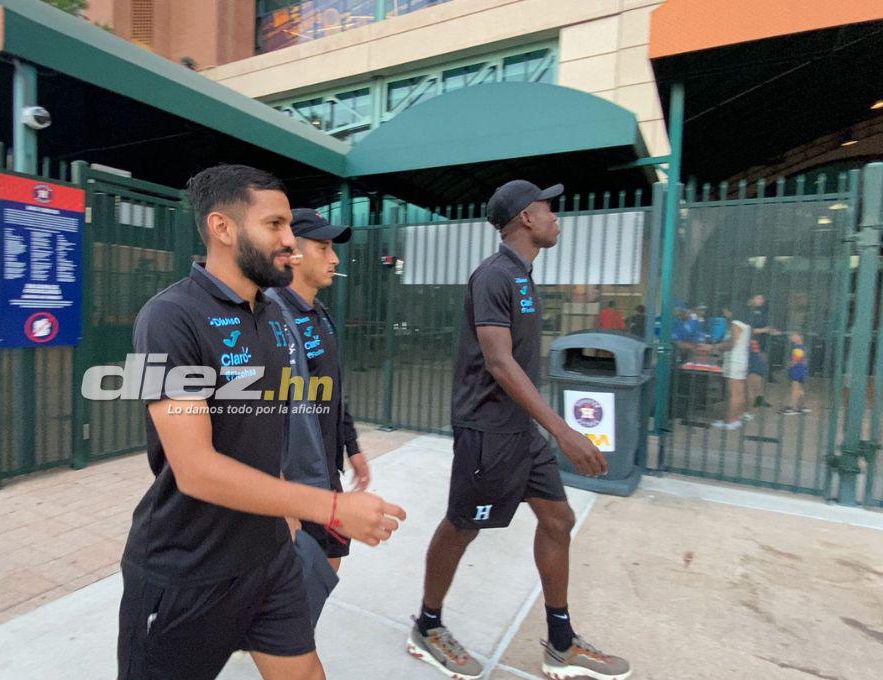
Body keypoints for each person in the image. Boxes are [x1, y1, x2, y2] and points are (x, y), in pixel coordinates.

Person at [116, 164, 406, 680]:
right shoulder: (165, 318)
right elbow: (195, 470)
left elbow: (270, 425)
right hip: (187, 567)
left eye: (289, 226)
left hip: (269, 554)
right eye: (275, 225)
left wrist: (288, 505)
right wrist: (330, 507)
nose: (290, 240)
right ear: (222, 228)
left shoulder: (274, 317)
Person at [407, 179, 630, 680]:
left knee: (558, 519)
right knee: (462, 526)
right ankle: (428, 626)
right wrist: (564, 431)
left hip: (521, 430)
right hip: (487, 429)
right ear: (526, 217)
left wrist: (543, 428)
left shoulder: (522, 277)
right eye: (548, 208)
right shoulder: (494, 275)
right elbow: (499, 362)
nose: (556, 217)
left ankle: (561, 643)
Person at [267, 208, 371, 576]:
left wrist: (352, 447)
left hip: (324, 471)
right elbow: (264, 419)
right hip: (294, 482)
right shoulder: (270, 316)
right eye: (323, 247)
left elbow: (331, 390)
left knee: (329, 562)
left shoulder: (319, 314)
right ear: (292, 253)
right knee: (300, 578)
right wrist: (284, 503)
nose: (335, 258)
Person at [707, 304, 751, 430]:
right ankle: (736, 419)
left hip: (734, 361)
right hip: (742, 359)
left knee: (733, 393)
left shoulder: (735, 324)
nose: (724, 314)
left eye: (725, 311)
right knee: (740, 391)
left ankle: (730, 421)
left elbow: (732, 343)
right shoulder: (746, 325)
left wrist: (715, 347)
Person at [780, 333, 810, 415]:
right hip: (802, 370)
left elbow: (795, 361)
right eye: (791, 336)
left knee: (795, 389)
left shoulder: (798, 348)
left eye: (794, 335)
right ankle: (802, 406)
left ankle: (792, 407)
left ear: (801, 337)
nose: (792, 337)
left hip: (797, 370)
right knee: (800, 389)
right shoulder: (804, 347)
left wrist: (788, 367)